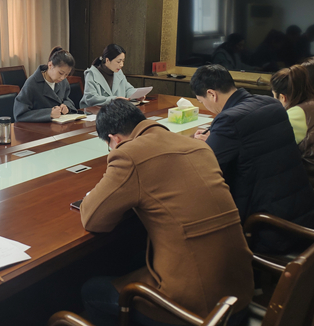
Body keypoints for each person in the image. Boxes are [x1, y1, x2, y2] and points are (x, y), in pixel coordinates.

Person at [80, 99, 253, 326]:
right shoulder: (199, 146)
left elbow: (93, 219)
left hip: (198, 307)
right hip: (239, 289)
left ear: (115, 139)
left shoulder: (129, 154)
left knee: (92, 290)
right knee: (135, 259)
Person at [190, 64, 314, 253]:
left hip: (271, 229)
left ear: (211, 94)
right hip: (305, 213)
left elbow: (206, 166)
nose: (205, 106)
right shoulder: (270, 103)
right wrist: (216, 139)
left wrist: (200, 145)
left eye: (201, 101)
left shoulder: (229, 120)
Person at [13, 47, 77, 122]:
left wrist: (66, 107)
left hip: (58, 125)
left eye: (66, 74)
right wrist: (48, 113)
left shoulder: (63, 82)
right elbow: (20, 114)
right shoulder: (32, 83)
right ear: (50, 65)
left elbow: (67, 99)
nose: (63, 77)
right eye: (60, 73)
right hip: (37, 127)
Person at [79, 44, 140, 108]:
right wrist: (113, 100)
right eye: (118, 61)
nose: (122, 65)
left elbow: (127, 89)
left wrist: (136, 96)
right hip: (95, 111)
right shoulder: (92, 74)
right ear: (107, 60)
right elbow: (90, 98)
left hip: (116, 110)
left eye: (123, 61)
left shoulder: (118, 72)